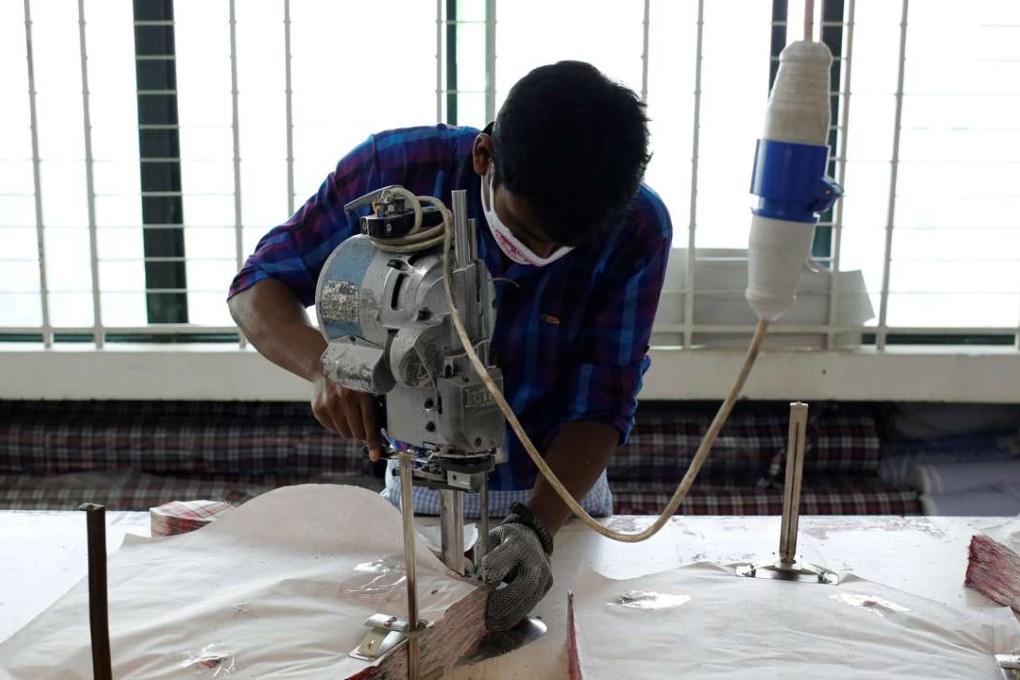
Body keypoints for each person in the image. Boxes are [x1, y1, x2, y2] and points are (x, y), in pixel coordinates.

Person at [227, 60, 672, 632]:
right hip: (420, 484)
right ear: (483, 157)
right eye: (530, 233)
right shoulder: (395, 173)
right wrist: (325, 367)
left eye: (566, 245)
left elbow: (605, 397)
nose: (535, 257)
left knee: (563, 647)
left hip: (562, 493)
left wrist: (536, 527)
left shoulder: (637, 225)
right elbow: (255, 288)